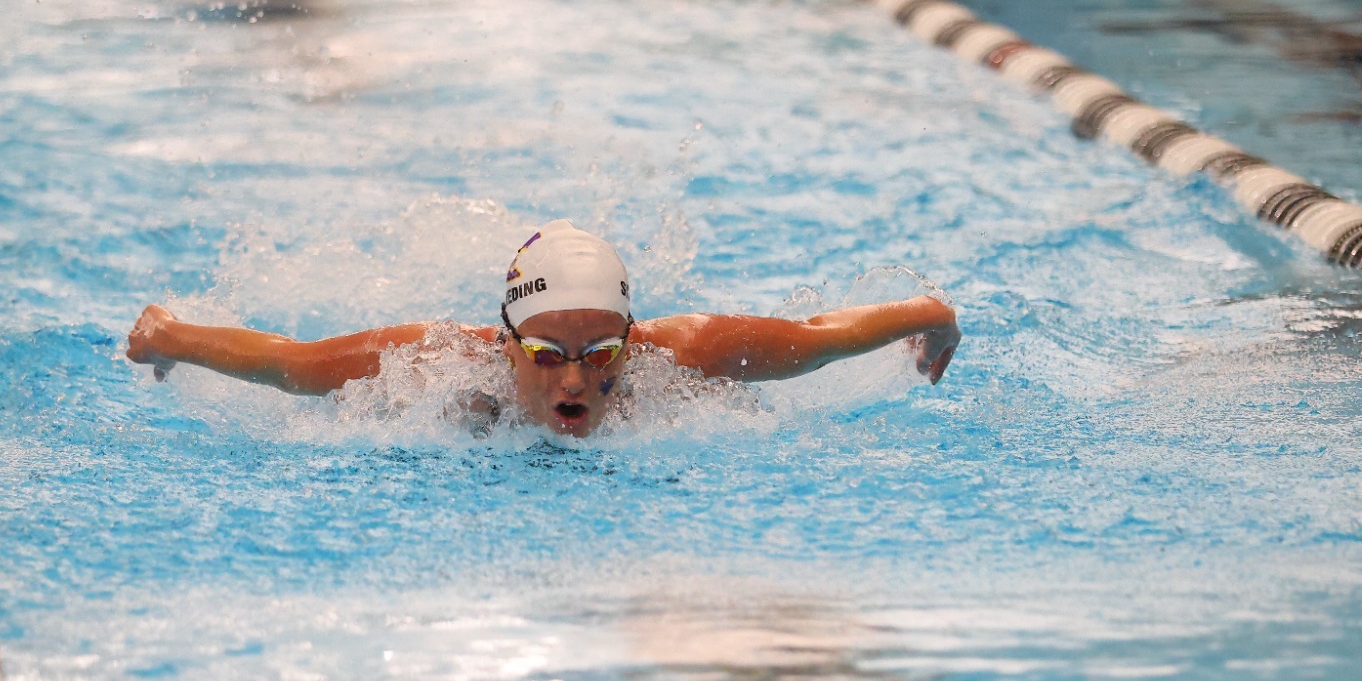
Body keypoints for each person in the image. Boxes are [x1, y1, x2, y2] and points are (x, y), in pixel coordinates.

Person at [125, 220, 960, 438]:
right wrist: (172, 333)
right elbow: (294, 362)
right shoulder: (443, 368)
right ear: (505, 343)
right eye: (547, 354)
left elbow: (817, 337)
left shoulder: (684, 355)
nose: (575, 381)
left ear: (631, 339)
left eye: (602, 354)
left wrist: (930, 318)